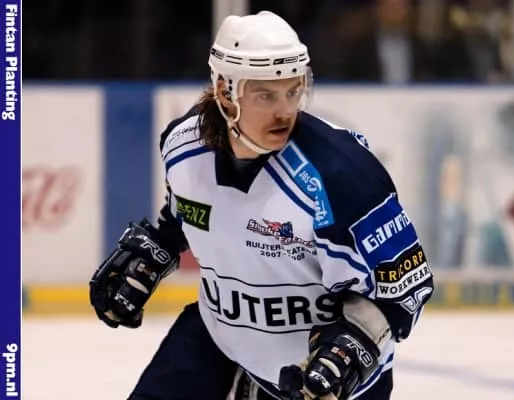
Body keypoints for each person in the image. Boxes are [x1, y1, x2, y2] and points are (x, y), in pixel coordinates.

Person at [89, 10, 434, 400]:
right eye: (266, 95)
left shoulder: (342, 175)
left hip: (314, 379)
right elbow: (190, 210)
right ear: (225, 93)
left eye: (292, 91)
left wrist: (349, 349)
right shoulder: (183, 146)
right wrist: (158, 246)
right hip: (218, 343)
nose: (284, 111)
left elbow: (405, 286)